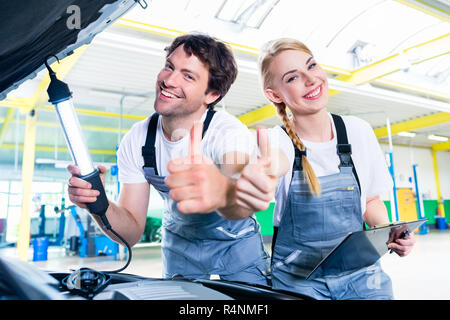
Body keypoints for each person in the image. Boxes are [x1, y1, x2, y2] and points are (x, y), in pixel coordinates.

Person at [66, 33, 275, 285]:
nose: (169, 80)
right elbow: (130, 234)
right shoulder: (138, 140)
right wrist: (98, 205)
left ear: (212, 95)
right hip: (180, 250)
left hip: (238, 250)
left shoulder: (228, 133)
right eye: (169, 66)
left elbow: (237, 189)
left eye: (188, 76)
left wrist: (223, 192)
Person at [252, 37, 417, 299]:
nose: (311, 80)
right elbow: (246, 191)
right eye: (293, 78)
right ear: (274, 95)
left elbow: (371, 201)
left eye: (312, 66)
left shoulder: (357, 131)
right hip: (298, 282)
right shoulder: (273, 142)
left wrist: (388, 233)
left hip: (361, 278)